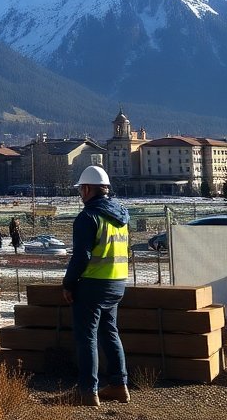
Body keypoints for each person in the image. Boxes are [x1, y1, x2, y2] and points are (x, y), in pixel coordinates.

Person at [62, 166, 131, 406]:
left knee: (86, 337)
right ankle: (119, 386)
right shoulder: (120, 217)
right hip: (117, 283)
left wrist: (68, 283)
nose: (80, 194)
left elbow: (81, 256)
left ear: (88, 189)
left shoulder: (88, 216)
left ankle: (87, 391)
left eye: (81, 189)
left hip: (93, 285)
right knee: (110, 333)